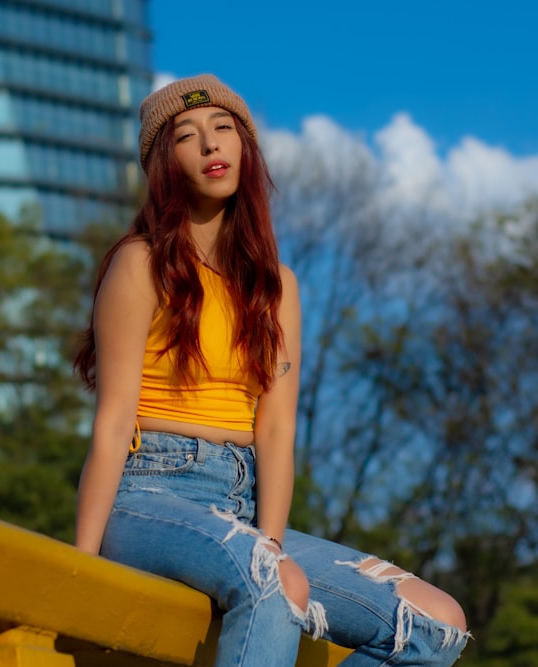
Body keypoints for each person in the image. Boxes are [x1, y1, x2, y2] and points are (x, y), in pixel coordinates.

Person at [73, 74, 469, 666]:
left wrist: (271, 541)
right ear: (164, 162)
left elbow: (277, 432)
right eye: (188, 135)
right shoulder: (140, 263)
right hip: (149, 493)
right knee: (273, 579)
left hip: (243, 507)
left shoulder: (277, 288)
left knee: (437, 624)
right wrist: (79, 572)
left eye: (223, 128)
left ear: (245, 148)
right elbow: (111, 424)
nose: (211, 145)